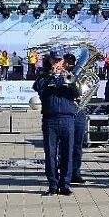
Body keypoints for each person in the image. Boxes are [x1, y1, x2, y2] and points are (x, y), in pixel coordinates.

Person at [32, 48, 81, 195]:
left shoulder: (71, 76)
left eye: (59, 61)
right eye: (54, 60)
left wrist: (70, 81)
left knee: (67, 152)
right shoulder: (44, 76)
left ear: (63, 62)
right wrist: (50, 75)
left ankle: (65, 184)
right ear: (50, 61)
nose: (57, 63)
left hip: (67, 119)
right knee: (50, 153)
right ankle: (53, 185)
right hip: (50, 119)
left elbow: (78, 93)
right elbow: (37, 87)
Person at [64, 52, 88, 184]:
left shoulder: (80, 77)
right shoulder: (62, 76)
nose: (70, 64)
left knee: (78, 145)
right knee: (65, 145)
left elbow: (88, 91)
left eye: (72, 61)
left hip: (80, 112)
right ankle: (64, 172)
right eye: (68, 61)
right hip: (67, 111)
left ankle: (76, 172)